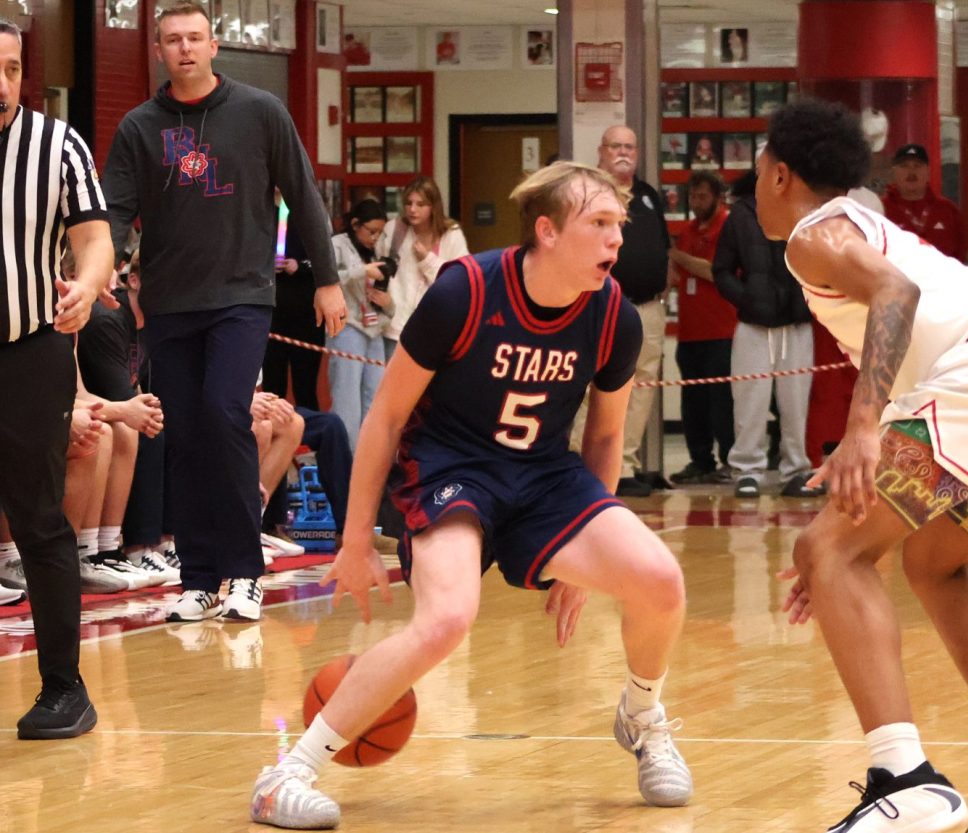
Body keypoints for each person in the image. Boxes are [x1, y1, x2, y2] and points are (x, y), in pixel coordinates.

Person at [250, 161, 692, 829]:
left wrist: (589, 547)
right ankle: (285, 773)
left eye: (620, 225)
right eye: (600, 223)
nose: (616, 239)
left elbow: (604, 438)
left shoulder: (614, 318)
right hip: (450, 467)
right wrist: (355, 538)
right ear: (547, 231)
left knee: (660, 579)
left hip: (544, 476)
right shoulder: (466, 290)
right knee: (448, 618)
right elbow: (386, 417)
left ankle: (643, 716)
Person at [760, 98, 968, 833]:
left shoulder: (813, 234)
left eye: (758, 171)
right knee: (934, 562)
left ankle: (904, 778)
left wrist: (862, 428)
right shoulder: (859, 222)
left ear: (780, 175)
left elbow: (895, 294)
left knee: (829, 551)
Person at [102, 2, 346, 623]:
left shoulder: (260, 111)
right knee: (184, 433)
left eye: (195, 38)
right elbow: (116, 213)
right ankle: (199, 578)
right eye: (173, 40)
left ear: (214, 47)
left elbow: (303, 195)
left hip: (241, 297)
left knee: (225, 414)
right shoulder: (138, 127)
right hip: (169, 302)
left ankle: (244, 572)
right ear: (158, 50)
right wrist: (101, 267)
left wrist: (327, 280)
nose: (185, 48)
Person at [0, 18, 114, 738]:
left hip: (28, 348)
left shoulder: (58, 144)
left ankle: (64, 689)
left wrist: (89, 284)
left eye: (13, 69)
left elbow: (96, 237)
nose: (3, 83)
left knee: (39, 518)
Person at [712, 171, 821, 499]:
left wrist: (810, 299)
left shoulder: (807, 209)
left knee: (796, 404)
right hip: (753, 325)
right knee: (750, 401)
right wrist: (748, 299)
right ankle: (747, 471)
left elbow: (822, 260)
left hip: (797, 324)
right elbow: (722, 269)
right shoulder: (741, 215)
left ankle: (796, 469)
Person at [594, 124, 672, 497]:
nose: (624, 152)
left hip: (649, 308)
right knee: (595, 384)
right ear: (602, 151)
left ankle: (623, 465)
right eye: (616, 146)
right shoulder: (591, 192)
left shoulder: (648, 195)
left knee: (641, 387)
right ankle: (585, 464)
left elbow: (664, 248)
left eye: (630, 146)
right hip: (603, 307)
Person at [667, 171, 736, 485]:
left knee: (722, 402)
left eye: (702, 196)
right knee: (693, 403)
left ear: (718, 197)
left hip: (722, 330)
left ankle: (730, 461)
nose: (696, 203)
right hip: (690, 331)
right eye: (693, 196)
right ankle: (700, 460)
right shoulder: (687, 230)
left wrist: (677, 256)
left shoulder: (728, 227)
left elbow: (714, 272)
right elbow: (678, 273)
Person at [378, 176, 468, 360]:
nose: (412, 209)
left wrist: (427, 260)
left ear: (433, 206)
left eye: (420, 204)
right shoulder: (394, 229)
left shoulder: (451, 234)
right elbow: (378, 266)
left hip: (434, 329)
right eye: (408, 203)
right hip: (395, 326)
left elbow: (459, 282)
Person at [328, 199, 394, 451]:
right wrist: (362, 270)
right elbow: (327, 277)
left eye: (380, 232)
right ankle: (346, 461)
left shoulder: (377, 250)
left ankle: (369, 458)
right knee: (347, 401)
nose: (375, 238)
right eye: (371, 231)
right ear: (355, 225)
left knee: (374, 399)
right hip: (347, 328)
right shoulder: (338, 244)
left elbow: (384, 300)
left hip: (375, 329)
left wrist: (389, 305)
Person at [262, 195, 326, 412]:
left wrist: (300, 266)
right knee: (272, 387)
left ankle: (309, 430)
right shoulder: (258, 209)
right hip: (271, 314)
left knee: (305, 386)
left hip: (306, 315)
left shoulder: (310, 211)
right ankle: (273, 431)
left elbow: (326, 258)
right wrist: (266, 263)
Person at [882, 144, 966, 261]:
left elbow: (960, 255)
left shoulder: (948, 210)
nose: (911, 172)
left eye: (917, 166)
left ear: (928, 171)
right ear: (894, 172)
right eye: (904, 166)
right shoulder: (880, 209)